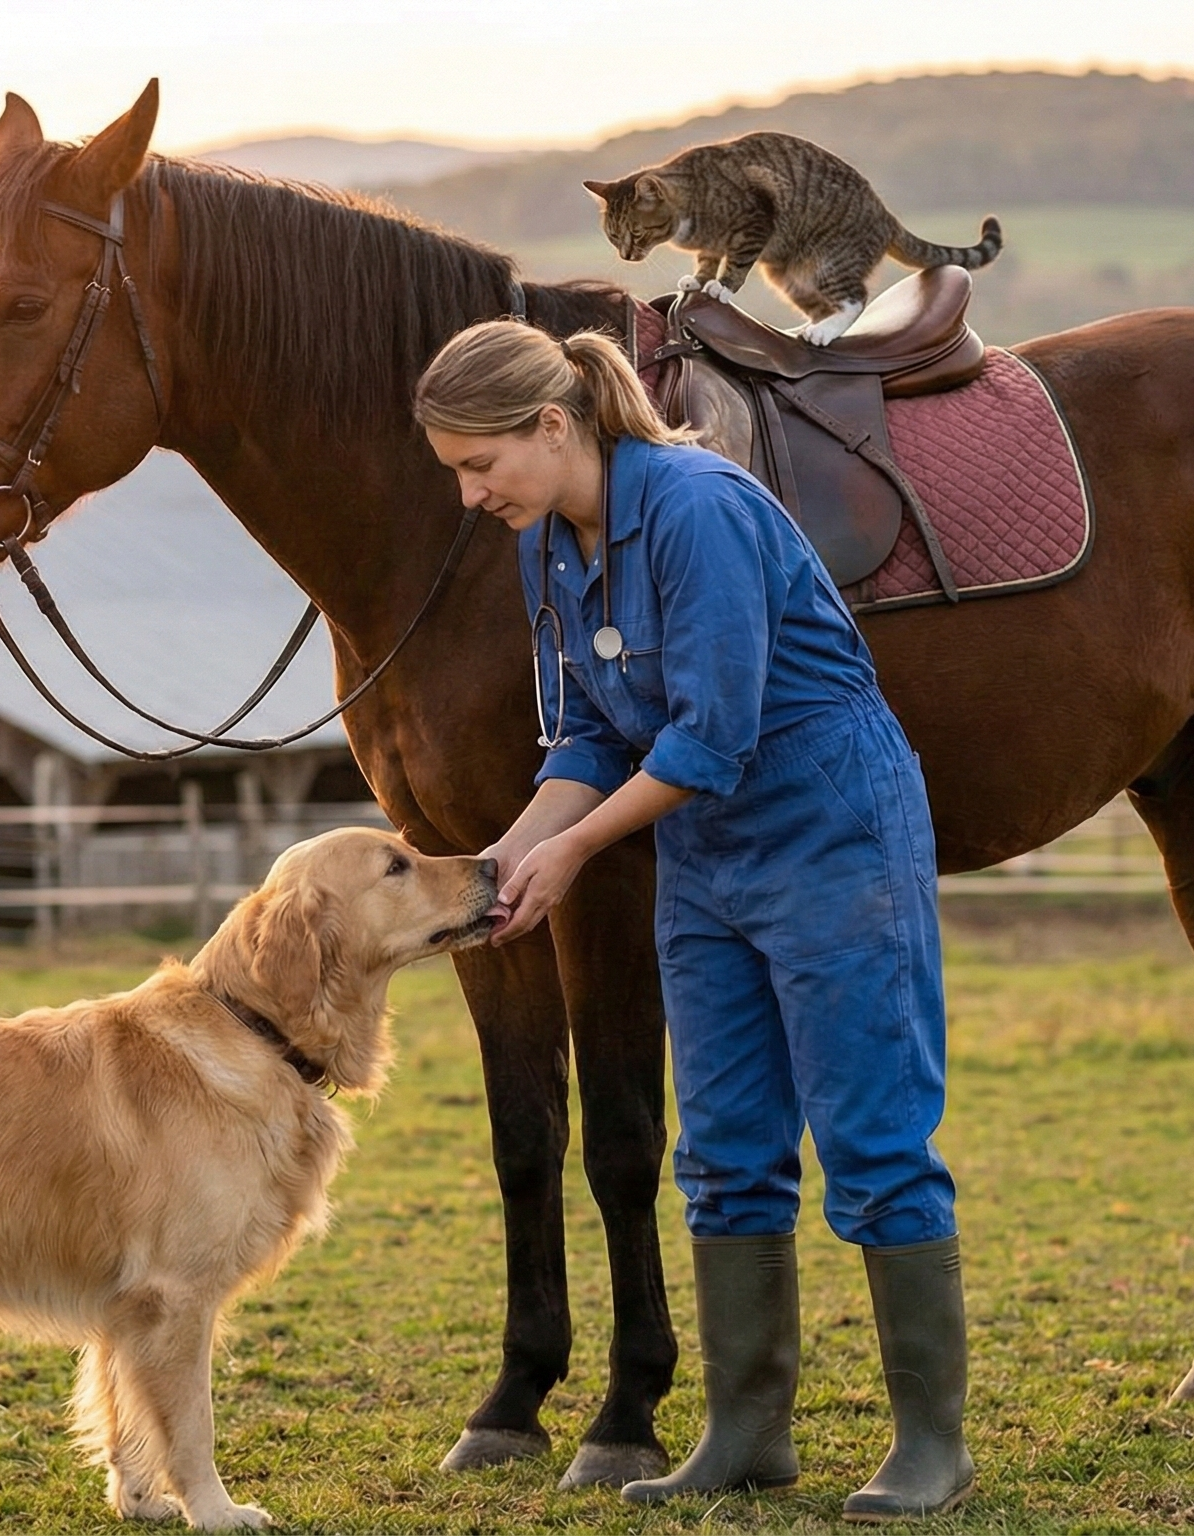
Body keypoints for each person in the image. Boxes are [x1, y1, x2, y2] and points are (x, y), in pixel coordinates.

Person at [414, 320, 972, 1520]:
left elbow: (710, 734)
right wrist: (498, 861)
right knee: (719, 1149)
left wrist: (568, 853)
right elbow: (590, 731)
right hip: (703, 852)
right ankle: (742, 1432)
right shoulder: (544, 545)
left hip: (827, 823)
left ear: (552, 426)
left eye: (478, 465)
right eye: (453, 471)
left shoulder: (695, 506)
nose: (468, 495)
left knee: (871, 1138)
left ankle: (931, 1445)